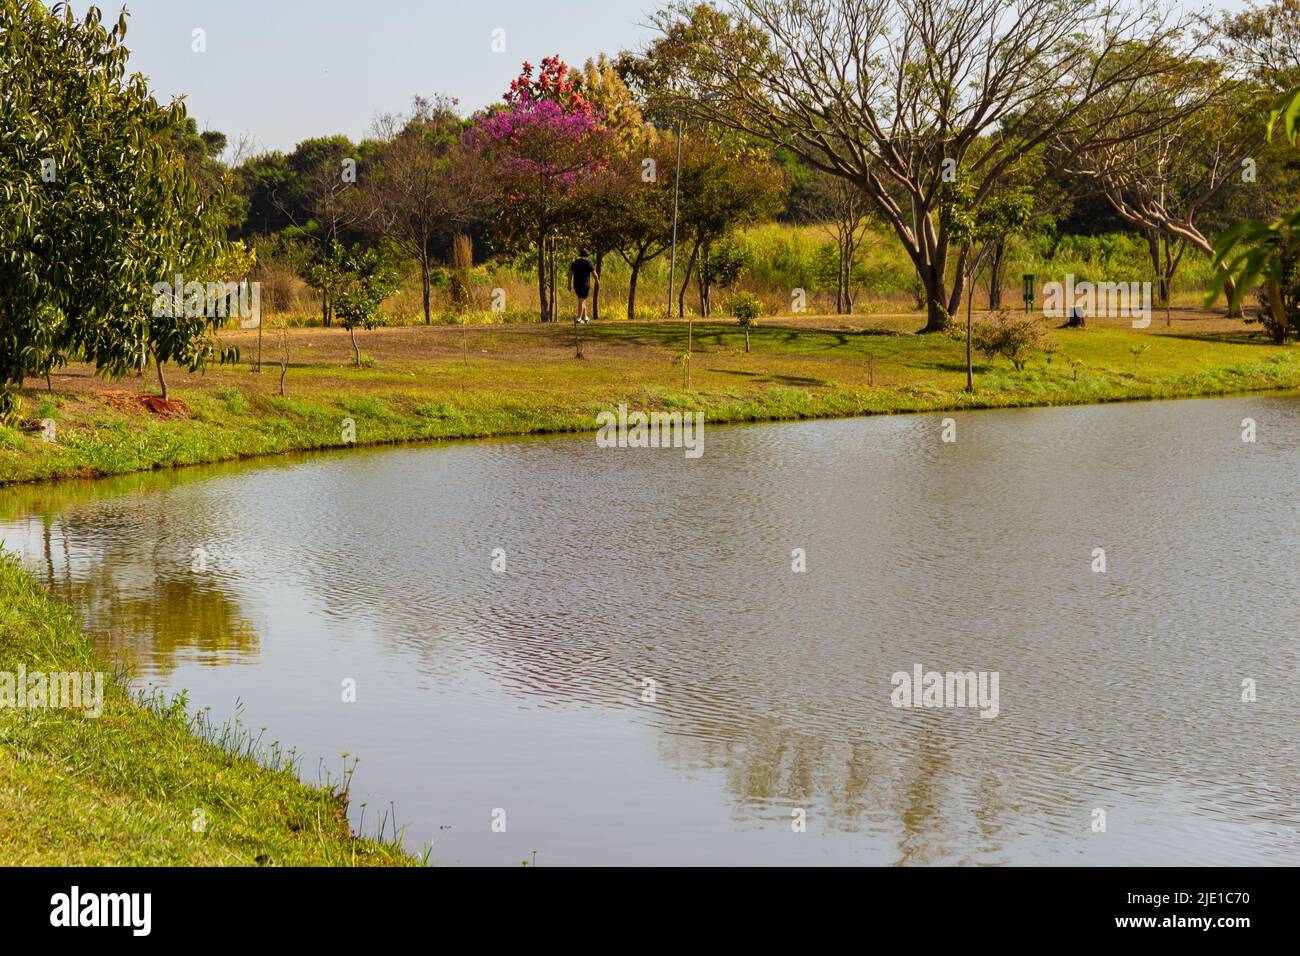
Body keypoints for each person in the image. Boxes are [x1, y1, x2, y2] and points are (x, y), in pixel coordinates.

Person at [568, 249, 599, 323]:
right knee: (582, 300)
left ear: (580, 255)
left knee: (582, 299)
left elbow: (570, 274)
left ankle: (585, 317)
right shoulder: (589, 263)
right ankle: (579, 318)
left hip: (576, 284)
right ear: (587, 255)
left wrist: (569, 284)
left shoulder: (574, 263)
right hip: (585, 284)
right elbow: (594, 274)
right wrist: (597, 281)